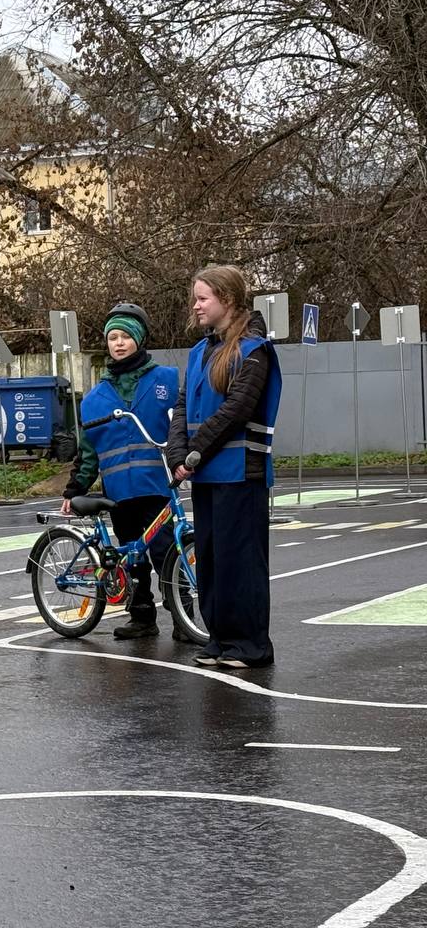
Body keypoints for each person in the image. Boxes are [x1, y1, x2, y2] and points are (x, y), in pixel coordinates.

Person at [166, 265, 282, 669]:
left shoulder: (254, 350)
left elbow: (236, 410)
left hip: (240, 472)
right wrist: (176, 454)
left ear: (227, 301)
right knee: (213, 560)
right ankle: (221, 639)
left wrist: (193, 454)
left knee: (241, 560)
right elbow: (182, 406)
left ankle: (250, 644)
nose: (195, 306)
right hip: (206, 472)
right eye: (195, 298)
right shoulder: (201, 351)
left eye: (203, 298)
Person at [62, 303, 183, 640]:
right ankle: (141, 616)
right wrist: (75, 489)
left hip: (157, 485)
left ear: (139, 339)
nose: (118, 343)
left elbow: (182, 427)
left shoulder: (167, 380)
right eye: (112, 337)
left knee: (165, 550)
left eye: (125, 336)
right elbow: (88, 453)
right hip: (119, 491)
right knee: (132, 556)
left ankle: (182, 613)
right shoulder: (95, 398)